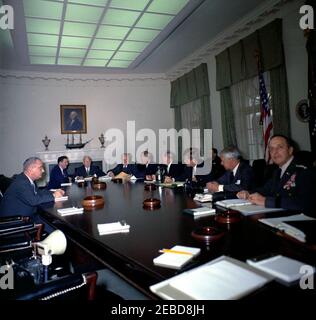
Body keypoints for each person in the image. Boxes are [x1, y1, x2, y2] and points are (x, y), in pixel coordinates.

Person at [237, 135, 314, 212]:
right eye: (271, 149)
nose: (275, 152)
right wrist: (248, 193)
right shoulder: (277, 171)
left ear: (290, 150)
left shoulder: (305, 171)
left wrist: (266, 201)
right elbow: (265, 190)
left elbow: (306, 203)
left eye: (279, 147)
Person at [0, 157, 64, 218]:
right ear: (31, 169)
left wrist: (54, 192)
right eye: (40, 168)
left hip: (27, 216)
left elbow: (38, 192)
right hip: (17, 221)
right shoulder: (22, 182)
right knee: (58, 225)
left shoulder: (27, 179)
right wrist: (53, 196)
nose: (43, 170)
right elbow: (33, 200)